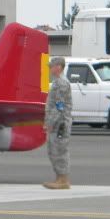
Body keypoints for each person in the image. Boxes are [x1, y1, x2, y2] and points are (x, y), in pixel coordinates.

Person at [43, 55, 73, 189]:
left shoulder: (61, 83)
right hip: (57, 122)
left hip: (60, 123)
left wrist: (50, 123)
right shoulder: (57, 82)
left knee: (59, 150)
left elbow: (59, 106)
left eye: (52, 66)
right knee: (53, 149)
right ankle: (59, 178)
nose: (50, 68)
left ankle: (63, 180)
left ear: (59, 67)